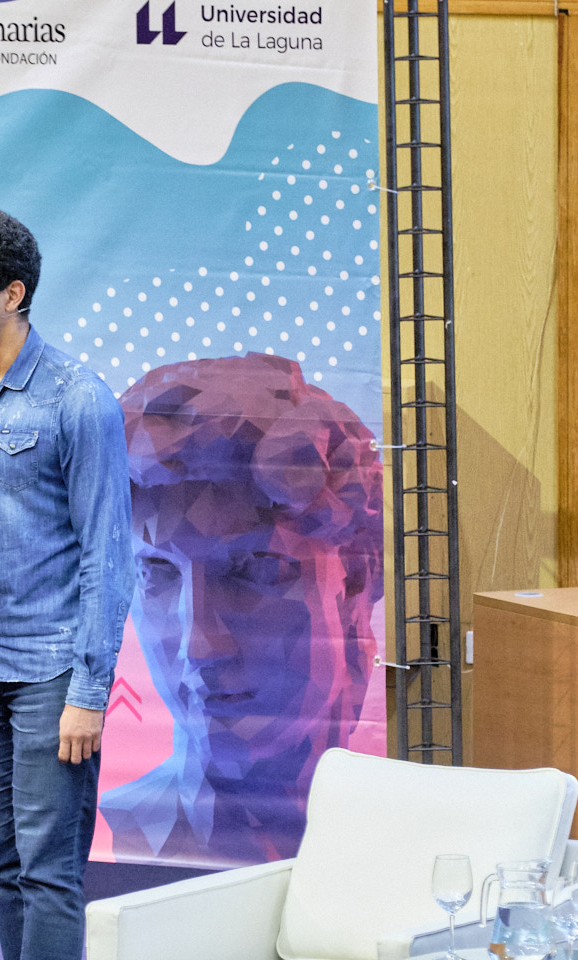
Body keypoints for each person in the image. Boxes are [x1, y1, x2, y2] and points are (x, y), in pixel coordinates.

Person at [0, 210, 133, 960]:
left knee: (48, 873)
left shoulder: (78, 399)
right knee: (2, 868)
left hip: (50, 675)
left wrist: (88, 694)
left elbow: (109, 557)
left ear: (12, 294)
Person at [101, 353, 382, 866]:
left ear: (354, 580)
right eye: (156, 573)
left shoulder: (398, 836)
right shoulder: (138, 824)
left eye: (259, 569)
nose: (200, 646)